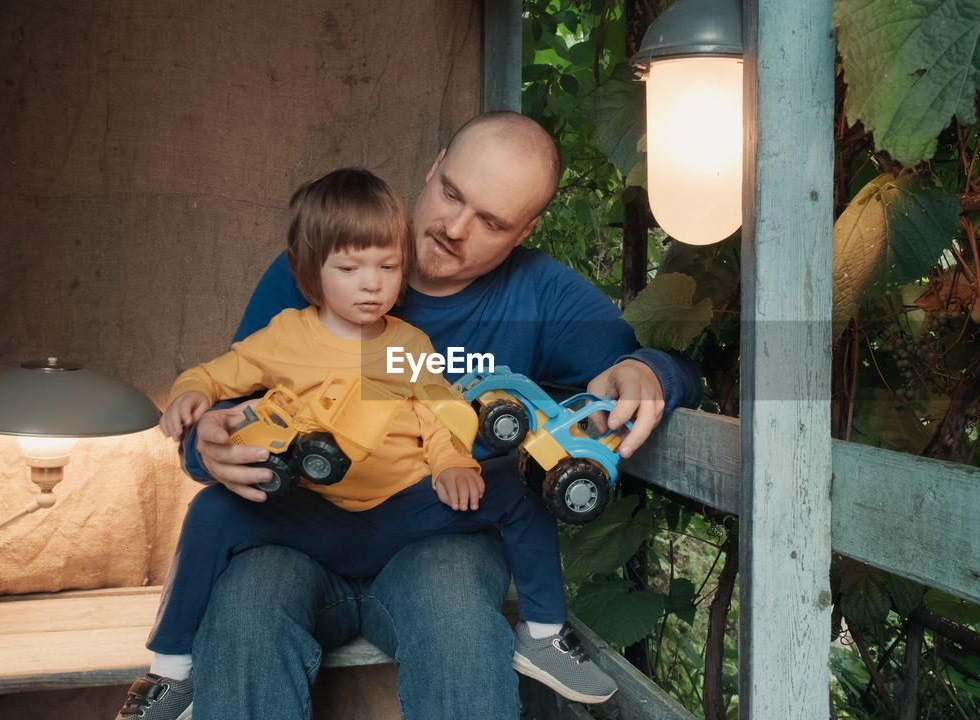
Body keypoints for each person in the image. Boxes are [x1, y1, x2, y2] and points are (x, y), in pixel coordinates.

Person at [177, 112, 701, 720]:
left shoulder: (543, 294)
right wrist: (205, 450)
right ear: (433, 167)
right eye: (452, 193)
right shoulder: (327, 262)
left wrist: (650, 373)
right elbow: (220, 405)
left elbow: (670, 367)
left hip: (442, 535)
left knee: (457, 619)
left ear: (526, 230)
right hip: (298, 531)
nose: (454, 228)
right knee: (244, 615)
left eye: (491, 222)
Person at [114, 168, 620, 720]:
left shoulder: (408, 343)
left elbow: (438, 408)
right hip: (315, 515)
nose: (372, 284)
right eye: (350, 269)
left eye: (387, 267)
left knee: (522, 481)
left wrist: (451, 461)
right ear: (312, 273)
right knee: (211, 511)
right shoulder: (285, 335)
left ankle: (544, 634)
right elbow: (220, 373)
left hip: (407, 513)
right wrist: (190, 393)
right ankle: (170, 670)